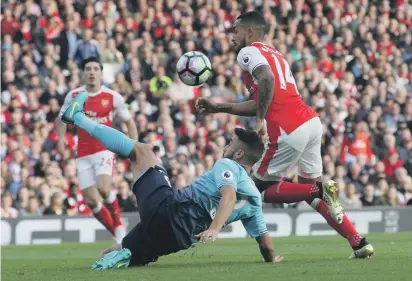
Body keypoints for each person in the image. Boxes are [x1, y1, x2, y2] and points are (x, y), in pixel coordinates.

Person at [196, 11, 374, 259]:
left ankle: (318, 190)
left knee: (260, 190)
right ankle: (358, 241)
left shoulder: (247, 53)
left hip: (288, 129)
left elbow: (266, 81)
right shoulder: (274, 53)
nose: (232, 35)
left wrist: (260, 120)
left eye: (235, 30)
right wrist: (220, 107)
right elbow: (263, 98)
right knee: (311, 191)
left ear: (249, 32)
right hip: (310, 122)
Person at [57, 57, 138, 243]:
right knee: (92, 201)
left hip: (104, 149)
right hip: (83, 153)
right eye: (88, 69)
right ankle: (120, 237)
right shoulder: (74, 95)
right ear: (83, 73)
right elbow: (61, 118)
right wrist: (61, 139)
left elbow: (129, 122)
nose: (92, 72)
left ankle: (118, 224)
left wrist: (134, 147)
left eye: (95, 68)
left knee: (103, 188)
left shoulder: (112, 96)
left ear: (101, 73)